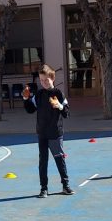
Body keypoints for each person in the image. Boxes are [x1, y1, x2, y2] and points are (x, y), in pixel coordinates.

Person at [22, 64, 74, 197]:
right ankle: (43, 188)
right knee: (43, 161)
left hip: (55, 133)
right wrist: (26, 99)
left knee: (59, 159)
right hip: (42, 133)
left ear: (52, 78)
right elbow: (30, 110)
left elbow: (67, 113)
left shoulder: (59, 93)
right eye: (41, 80)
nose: (44, 82)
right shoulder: (39, 95)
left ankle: (65, 185)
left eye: (46, 80)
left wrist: (60, 106)